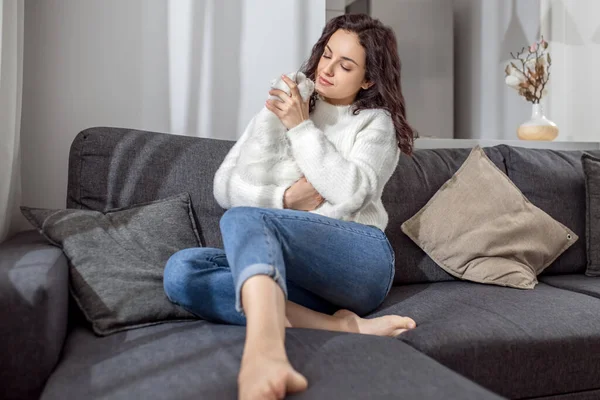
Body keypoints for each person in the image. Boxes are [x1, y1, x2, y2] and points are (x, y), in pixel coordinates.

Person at [163, 13, 418, 400]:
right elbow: (224, 185)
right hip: (299, 277)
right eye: (327, 55)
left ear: (368, 79)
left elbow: (350, 191)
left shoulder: (373, 124)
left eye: (345, 65)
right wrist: (283, 199)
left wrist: (301, 129)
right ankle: (339, 327)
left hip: (359, 260)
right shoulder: (287, 104)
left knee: (247, 218)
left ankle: (264, 353)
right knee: (182, 271)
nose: (327, 69)